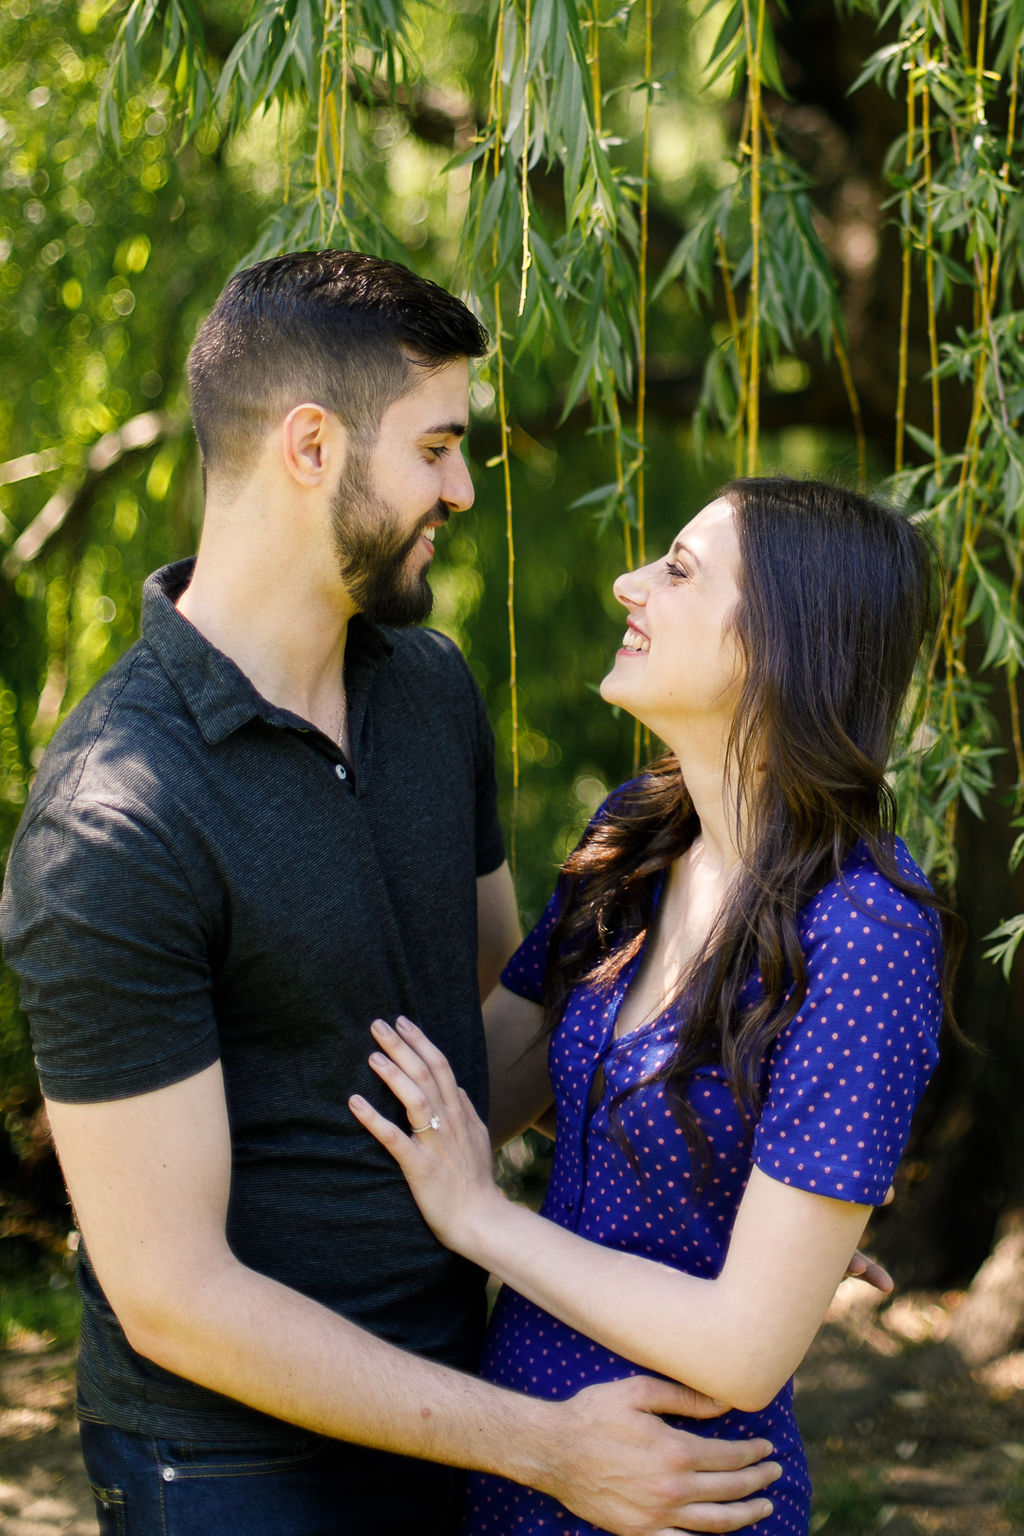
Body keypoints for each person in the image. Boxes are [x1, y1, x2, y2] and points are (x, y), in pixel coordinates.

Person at [0, 251, 781, 1536]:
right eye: (436, 447)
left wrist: (737, 1219)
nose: (462, 489)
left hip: (454, 1407)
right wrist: (544, 1449)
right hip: (235, 1475)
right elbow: (171, 1293)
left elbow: (499, 1049)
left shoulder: (426, 691)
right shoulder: (116, 817)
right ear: (312, 446)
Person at [350, 477, 961, 1535]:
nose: (630, 583)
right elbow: (494, 1089)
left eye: (678, 569)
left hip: (675, 1498)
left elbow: (740, 1348)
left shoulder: (864, 932)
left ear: (785, 642)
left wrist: (480, 1218)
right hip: (518, 1468)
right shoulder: (639, 834)